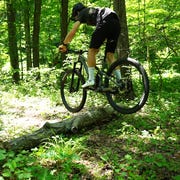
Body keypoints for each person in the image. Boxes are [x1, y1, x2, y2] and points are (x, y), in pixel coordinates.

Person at [59, 2, 121, 88]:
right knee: (110, 55)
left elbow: (73, 31)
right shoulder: (93, 11)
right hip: (116, 23)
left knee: (91, 51)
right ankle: (120, 81)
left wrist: (64, 44)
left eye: (75, 17)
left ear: (77, 12)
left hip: (105, 21)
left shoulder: (82, 13)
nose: (76, 19)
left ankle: (91, 80)